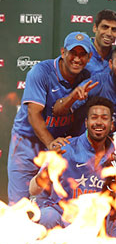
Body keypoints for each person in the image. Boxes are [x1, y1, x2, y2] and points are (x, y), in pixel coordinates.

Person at [7, 31, 92, 205]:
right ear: (63, 52)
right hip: (28, 145)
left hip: (57, 146)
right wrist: (50, 143)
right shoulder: (41, 72)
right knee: (20, 205)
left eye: (82, 54)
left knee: (48, 206)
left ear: (89, 57)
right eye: (73, 53)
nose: (77, 59)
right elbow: (33, 113)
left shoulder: (86, 78)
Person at [29, 96, 115, 229]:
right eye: (94, 117)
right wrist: (47, 170)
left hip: (95, 220)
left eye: (104, 118)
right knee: (48, 216)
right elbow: (33, 190)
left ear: (111, 124)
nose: (99, 122)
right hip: (62, 216)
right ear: (86, 123)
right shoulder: (65, 149)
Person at [53, 41, 116, 133]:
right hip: (86, 143)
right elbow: (57, 111)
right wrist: (72, 98)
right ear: (111, 64)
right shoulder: (96, 83)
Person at [85, 9, 116, 75]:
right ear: (95, 28)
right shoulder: (81, 53)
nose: (109, 33)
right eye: (105, 27)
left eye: (114, 29)